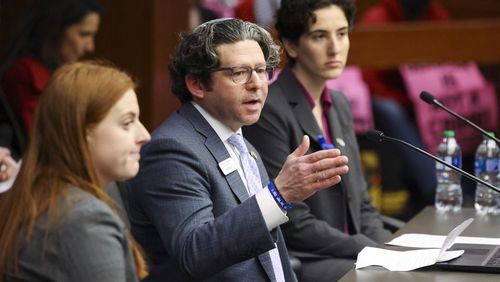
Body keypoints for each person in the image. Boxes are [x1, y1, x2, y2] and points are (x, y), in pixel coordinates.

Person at [126, 18, 349, 281]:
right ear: (197, 84)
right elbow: (195, 251)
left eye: (262, 70)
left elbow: (273, 257)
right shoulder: (171, 150)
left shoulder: (242, 142)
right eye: (238, 73)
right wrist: (279, 194)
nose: (257, 83)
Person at [243, 1, 391, 281]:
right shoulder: (269, 110)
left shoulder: (339, 103)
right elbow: (292, 220)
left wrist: (390, 247)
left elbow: (362, 203)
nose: (335, 47)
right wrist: (375, 250)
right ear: (291, 45)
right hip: (308, 259)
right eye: (319, 36)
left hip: (354, 253)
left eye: (342, 33)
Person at [0, 61, 151, 281]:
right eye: (127, 123)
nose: (145, 135)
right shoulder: (84, 220)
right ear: (81, 131)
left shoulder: (46, 195)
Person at [358, 0, 449, 212]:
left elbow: (451, 64)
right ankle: (435, 186)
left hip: (422, 97)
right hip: (390, 97)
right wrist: (406, 99)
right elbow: (369, 80)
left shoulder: (435, 13)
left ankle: (465, 183)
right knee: (391, 110)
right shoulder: (377, 19)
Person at [1, 0, 101, 136]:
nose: (90, 47)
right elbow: (46, 140)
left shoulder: (62, 73)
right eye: (83, 34)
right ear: (56, 29)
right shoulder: (25, 73)